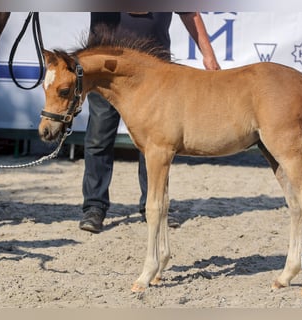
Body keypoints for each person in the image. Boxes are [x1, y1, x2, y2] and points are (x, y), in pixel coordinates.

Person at [80, 12, 220, 233]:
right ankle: (94, 208)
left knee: (157, 142)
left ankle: (154, 206)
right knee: (99, 137)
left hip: (154, 72)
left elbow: (190, 12)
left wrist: (208, 55)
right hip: (106, 68)